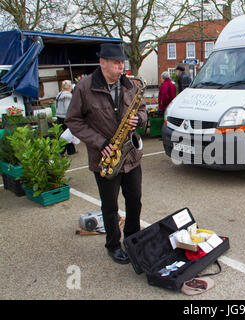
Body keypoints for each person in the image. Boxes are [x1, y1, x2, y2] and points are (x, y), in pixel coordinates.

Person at [65, 43, 147, 265]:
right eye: (116, 63)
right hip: (105, 159)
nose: (121, 68)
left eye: (122, 63)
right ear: (102, 63)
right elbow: (73, 121)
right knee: (110, 207)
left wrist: (139, 119)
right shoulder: (84, 87)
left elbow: (142, 110)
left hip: (131, 157)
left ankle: (131, 239)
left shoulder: (130, 85)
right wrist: (100, 142)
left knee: (134, 201)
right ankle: (113, 245)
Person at [55, 80, 76, 155]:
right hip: (65, 116)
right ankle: (62, 151)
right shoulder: (68, 95)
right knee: (67, 134)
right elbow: (68, 107)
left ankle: (71, 150)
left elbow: (55, 105)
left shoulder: (59, 94)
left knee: (65, 133)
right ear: (69, 87)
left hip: (59, 116)